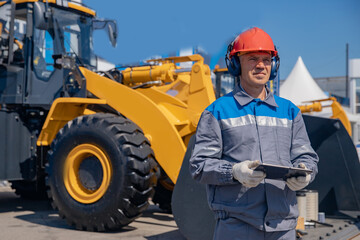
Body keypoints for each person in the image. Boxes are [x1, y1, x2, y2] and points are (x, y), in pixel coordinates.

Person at [189, 27, 319, 240]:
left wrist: (306, 172)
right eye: (252, 58)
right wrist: (234, 171)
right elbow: (199, 166)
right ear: (235, 64)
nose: (260, 65)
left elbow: (307, 156)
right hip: (237, 226)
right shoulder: (217, 112)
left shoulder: (290, 111)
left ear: (274, 65)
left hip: (283, 227)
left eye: (266, 59)